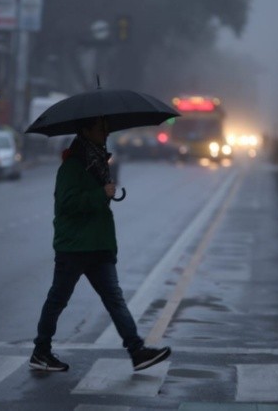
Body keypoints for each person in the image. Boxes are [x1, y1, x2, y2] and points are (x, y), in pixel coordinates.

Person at [29, 115, 172, 372]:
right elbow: (67, 204)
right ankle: (41, 351)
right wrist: (100, 193)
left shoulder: (97, 163)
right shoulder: (73, 166)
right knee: (58, 300)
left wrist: (103, 193)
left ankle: (136, 351)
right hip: (74, 246)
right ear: (86, 130)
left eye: (106, 127)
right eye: (100, 127)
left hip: (97, 245)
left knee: (114, 299)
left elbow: (94, 204)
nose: (106, 132)